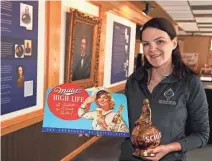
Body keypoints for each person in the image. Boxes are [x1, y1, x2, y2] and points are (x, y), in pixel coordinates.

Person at [119, 17, 210, 161]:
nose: (152, 49)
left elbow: (201, 135)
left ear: (174, 43)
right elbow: (124, 125)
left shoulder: (190, 83)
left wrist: (169, 148)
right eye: (146, 44)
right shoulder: (134, 80)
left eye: (159, 41)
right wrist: (96, 127)